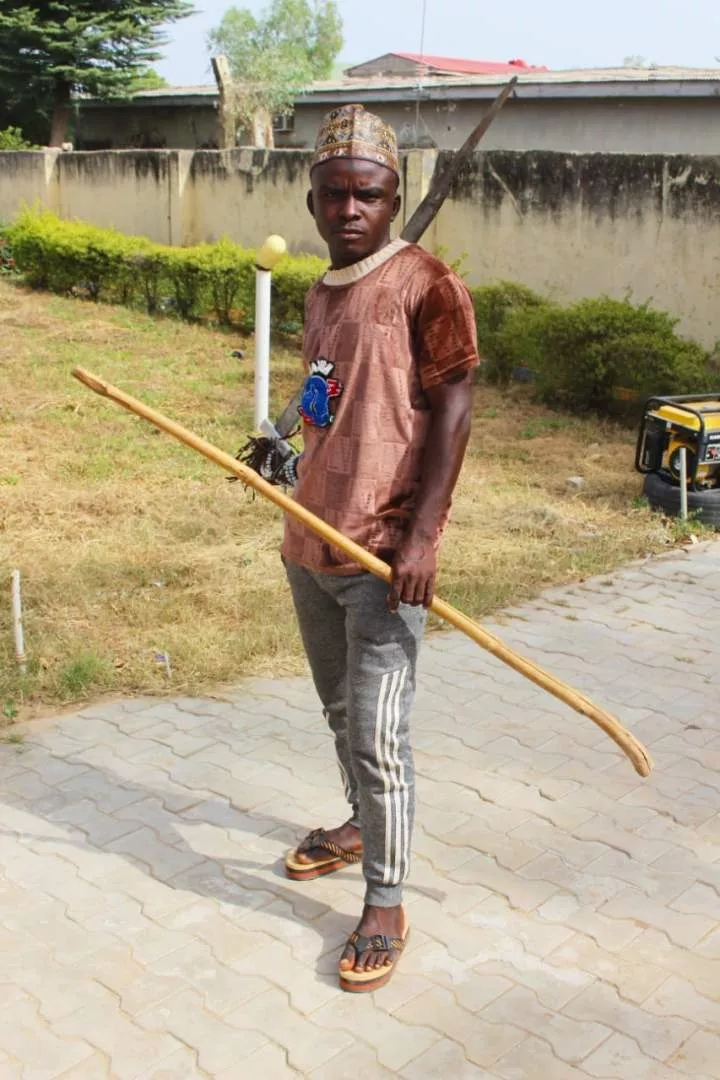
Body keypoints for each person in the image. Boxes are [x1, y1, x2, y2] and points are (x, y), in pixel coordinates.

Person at [277, 104, 479, 992]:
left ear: (394, 196)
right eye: (335, 195)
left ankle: (386, 900)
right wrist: (285, 440)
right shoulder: (323, 289)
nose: (350, 210)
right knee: (338, 715)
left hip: (382, 557)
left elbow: (455, 409)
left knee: (379, 734)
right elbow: (326, 391)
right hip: (310, 539)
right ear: (313, 200)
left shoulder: (429, 283)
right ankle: (362, 823)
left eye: (369, 194)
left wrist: (424, 535)